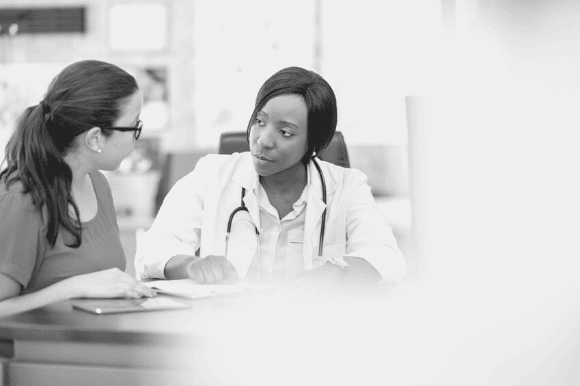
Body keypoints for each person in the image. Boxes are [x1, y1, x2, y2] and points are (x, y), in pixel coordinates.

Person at [135, 66, 406, 286]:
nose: (262, 140)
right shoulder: (211, 175)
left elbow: (386, 257)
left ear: (313, 143)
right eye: (259, 121)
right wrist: (192, 264)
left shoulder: (347, 187)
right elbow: (151, 252)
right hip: (223, 330)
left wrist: (336, 273)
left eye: (285, 132)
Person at [0, 60, 156, 317]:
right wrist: (74, 287)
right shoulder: (21, 199)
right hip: (38, 354)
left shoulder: (97, 183)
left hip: (95, 347)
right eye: (134, 126)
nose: (137, 137)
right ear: (95, 138)